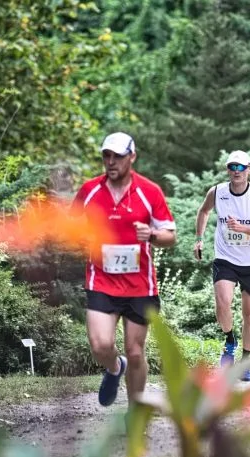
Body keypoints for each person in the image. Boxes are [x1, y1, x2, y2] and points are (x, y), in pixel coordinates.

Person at [70, 132, 177, 407]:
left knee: (136, 351)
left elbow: (170, 236)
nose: (111, 161)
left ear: (132, 157)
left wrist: (151, 235)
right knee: (100, 345)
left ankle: (135, 410)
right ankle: (116, 367)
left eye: (117, 156)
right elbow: (70, 227)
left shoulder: (149, 191)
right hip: (101, 280)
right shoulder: (90, 190)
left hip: (139, 285)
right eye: (106, 156)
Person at [193, 150, 250, 381]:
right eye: (232, 167)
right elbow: (204, 211)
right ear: (227, 170)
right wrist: (199, 239)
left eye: (241, 167)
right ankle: (230, 341)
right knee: (223, 303)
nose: (236, 171)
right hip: (225, 258)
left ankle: (245, 363)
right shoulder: (217, 192)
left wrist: (243, 228)